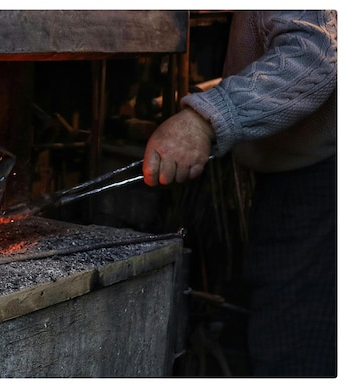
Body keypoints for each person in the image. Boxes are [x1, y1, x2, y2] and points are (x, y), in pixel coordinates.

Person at [143, 11, 337, 376]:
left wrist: (204, 118)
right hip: (300, 178)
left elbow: (313, 56)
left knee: (293, 351)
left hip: (319, 185)